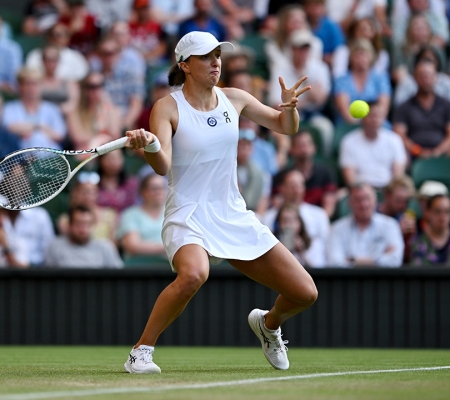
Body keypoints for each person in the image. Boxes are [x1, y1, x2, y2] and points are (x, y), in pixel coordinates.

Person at [120, 31, 318, 374]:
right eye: (206, 56)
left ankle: (268, 325)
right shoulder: (167, 107)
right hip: (188, 212)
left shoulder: (235, 98)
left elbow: (285, 128)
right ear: (185, 65)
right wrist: (149, 144)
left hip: (231, 212)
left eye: (218, 55)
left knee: (305, 293)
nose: (215, 62)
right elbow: (162, 165)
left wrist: (289, 109)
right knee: (194, 274)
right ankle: (141, 351)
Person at [393, 59, 450, 159]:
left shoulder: (447, 105)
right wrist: (417, 151)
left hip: (442, 152)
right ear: (415, 78)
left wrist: (438, 151)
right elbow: (400, 134)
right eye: (422, 75)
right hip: (413, 153)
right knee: (401, 157)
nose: (425, 79)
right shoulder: (404, 107)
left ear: (436, 78)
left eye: (429, 75)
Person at [327, 183, 404, 267]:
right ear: (350, 203)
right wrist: (379, 258)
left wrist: (352, 260)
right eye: (358, 200)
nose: (364, 204)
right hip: (348, 276)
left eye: (367, 198)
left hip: (382, 276)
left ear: (375, 200)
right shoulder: (337, 228)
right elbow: (335, 263)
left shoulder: (390, 225)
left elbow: (395, 260)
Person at [262, 170, 329, 267]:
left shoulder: (319, 215)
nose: (296, 190)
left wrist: (303, 253)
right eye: (292, 186)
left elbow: (325, 252)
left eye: (299, 185)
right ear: (282, 188)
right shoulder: (268, 217)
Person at [340, 101, 407, 189]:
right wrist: (363, 190)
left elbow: (398, 175)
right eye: (372, 115)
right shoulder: (349, 141)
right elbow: (350, 178)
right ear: (363, 117)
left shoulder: (395, 140)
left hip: (388, 189)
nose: (375, 119)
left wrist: (390, 191)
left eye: (378, 115)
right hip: (361, 190)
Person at [272, 130, 337, 217]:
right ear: (291, 149)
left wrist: (319, 221)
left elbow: (329, 208)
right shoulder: (282, 176)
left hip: (316, 220)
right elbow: (276, 203)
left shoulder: (326, 173)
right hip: (289, 219)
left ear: (314, 147)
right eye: (300, 145)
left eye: (307, 144)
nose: (304, 148)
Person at [2, 68, 67, 149]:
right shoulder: (9, 108)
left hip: (49, 154)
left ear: (41, 86)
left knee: (38, 139)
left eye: (35, 84)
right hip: (20, 153)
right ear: (20, 86)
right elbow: (9, 128)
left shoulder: (52, 109)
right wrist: (38, 127)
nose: (32, 88)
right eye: (28, 84)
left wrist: (28, 130)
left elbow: (59, 135)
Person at [333, 38, 391, 124]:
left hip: (376, 123)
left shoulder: (381, 78)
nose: (361, 59)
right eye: (357, 56)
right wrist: (360, 126)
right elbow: (343, 108)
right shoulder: (342, 80)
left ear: (371, 57)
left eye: (365, 55)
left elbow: (383, 107)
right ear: (351, 58)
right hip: (348, 125)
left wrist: (371, 123)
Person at [45, 205, 124, 268]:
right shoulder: (55, 246)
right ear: (70, 225)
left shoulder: (106, 247)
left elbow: (118, 277)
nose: (83, 229)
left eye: (87, 224)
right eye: (79, 224)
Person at [65, 72, 122, 151]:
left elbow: (115, 135)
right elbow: (78, 138)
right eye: (92, 86)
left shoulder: (109, 108)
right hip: (86, 152)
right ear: (85, 89)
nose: (97, 90)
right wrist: (102, 137)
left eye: (101, 85)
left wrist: (109, 105)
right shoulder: (75, 111)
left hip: (106, 151)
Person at [409, 194, 450, 266]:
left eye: (447, 211)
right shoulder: (417, 240)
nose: (442, 217)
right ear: (428, 212)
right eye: (438, 211)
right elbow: (417, 269)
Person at [117, 174, 167, 259]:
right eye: (154, 188)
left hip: (169, 264)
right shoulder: (130, 214)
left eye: (162, 188)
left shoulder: (173, 213)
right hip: (139, 264)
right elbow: (133, 246)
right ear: (143, 192)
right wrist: (168, 248)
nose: (159, 192)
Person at [236, 128, 270, 215]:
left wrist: (257, 217)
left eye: (247, 144)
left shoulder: (262, 173)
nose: (244, 147)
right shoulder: (227, 169)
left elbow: (264, 199)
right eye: (240, 144)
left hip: (252, 213)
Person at [38, 45, 79, 114]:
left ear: (58, 61)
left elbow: (72, 104)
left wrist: (55, 112)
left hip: (63, 115)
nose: (51, 63)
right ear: (43, 61)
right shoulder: (36, 82)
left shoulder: (69, 83)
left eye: (53, 60)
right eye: (48, 60)